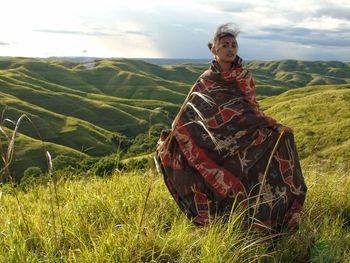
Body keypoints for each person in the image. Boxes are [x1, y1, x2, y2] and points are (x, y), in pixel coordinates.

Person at [156, 23, 307, 232]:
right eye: (224, 44)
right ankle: (225, 222)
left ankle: (276, 216)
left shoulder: (244, 77)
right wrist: (173, 135)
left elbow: (251, 110)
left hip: (243, 136)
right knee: (215, 178)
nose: (230, 49)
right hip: (215, 142)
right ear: (214, 49)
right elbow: (190, 112)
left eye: (233, 44)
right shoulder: (206, 80)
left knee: (283, 140)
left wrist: (275, 126)